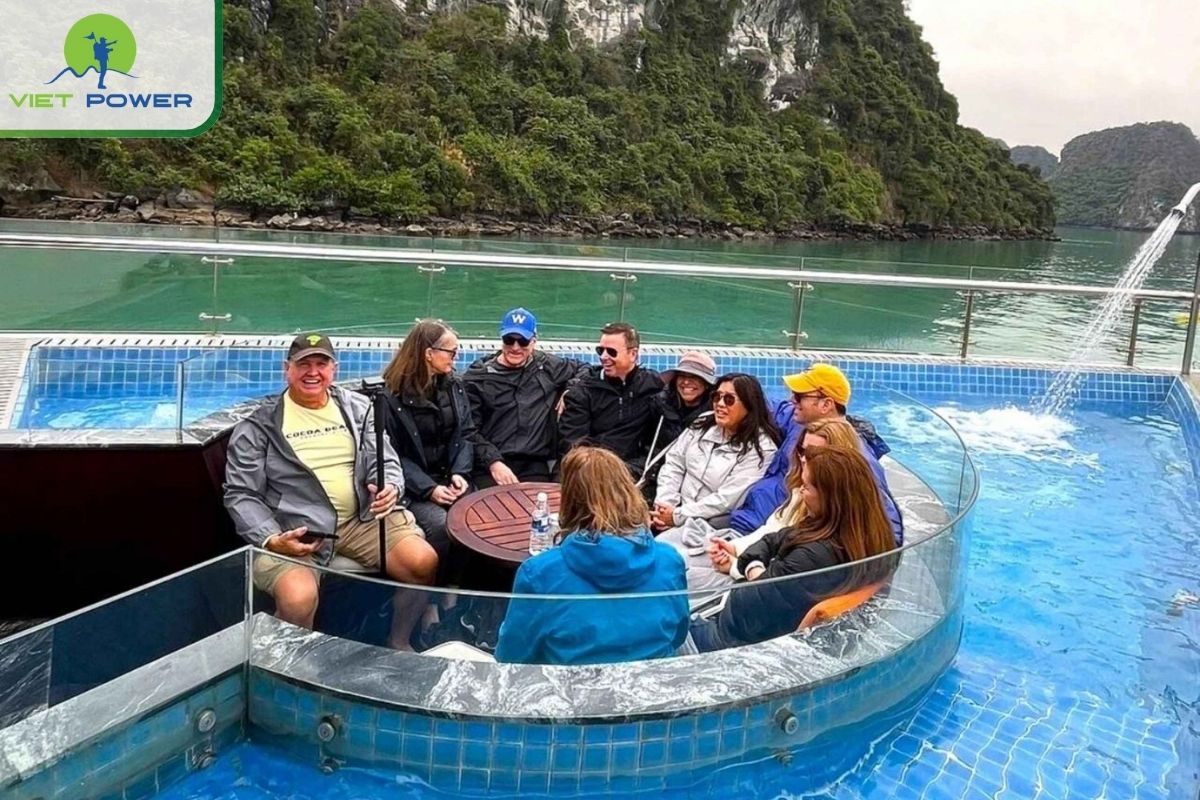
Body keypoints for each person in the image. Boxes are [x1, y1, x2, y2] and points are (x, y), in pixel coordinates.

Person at [224, 333, 438, 649]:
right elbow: (240, 493)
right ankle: (290, 666)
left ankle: (399, 640)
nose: (313, 372)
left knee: (423, 563)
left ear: (333, 369)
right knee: (298, 598)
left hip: (362, 519)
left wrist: (389, 486)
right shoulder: (259, 426)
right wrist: (271, 538)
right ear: (287, 369)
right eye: (303, 364)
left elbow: (385, 458)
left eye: (321, 364)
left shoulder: (359, 407)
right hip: (295, 531)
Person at [690, 445, 897, 652]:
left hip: (736, 642)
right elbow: (774, 539)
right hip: (756, 628)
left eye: (806, 487)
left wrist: (751, 567)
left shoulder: (813, 556)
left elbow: (753, 600)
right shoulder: (863, 534)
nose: (800, 491)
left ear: (829, 498)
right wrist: (756, 567)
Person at [494, 446, 689, 665]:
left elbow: (511, 657)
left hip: (572, 693)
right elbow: (678, 634)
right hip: (649, 689)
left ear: (570, 500)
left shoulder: (539, 573)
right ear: (627, 491)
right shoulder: (670, 560)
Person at [728, 363, 903, 546]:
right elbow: (774, 408)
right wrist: (730, 392)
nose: (791, 400)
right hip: (749, 520)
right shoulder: (802, 424)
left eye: (798, 396)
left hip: (773, 541)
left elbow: (884, 523)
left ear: (826, 404)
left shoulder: (854, 457)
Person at [378, 320, 483, 569]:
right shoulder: (389, 397)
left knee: (479, 516)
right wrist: (429, 489)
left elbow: (466, 434)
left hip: (449, 479)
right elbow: (391, 454)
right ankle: (434, 598)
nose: (456, 358)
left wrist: (460, 473)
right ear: (429, 354)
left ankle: (460, 592)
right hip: (414, 489)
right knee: (441, 526)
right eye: (452, 352)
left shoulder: (454, 386)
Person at [463, 308, 587, 487]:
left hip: (534, 463)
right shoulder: (478, 377)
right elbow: (469, 430)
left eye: (523, 341)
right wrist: (493, 462)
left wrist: (571, 390)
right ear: (501, 339)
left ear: (534, 341)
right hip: (491, 463)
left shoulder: (548, 366)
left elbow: (585, 369)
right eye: (509, 340)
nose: (515, 347)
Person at [651, 373, 780, 533]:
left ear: (749, 404)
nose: (719, 404)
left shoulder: (761, 449)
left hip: (708, 525)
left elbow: (727, 500)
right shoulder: (703, 422)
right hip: (672, 511)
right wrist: (664, 504)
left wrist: (677, 516)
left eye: (729, 399)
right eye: (716, 397)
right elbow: (674, 463)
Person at [558, 322, 663, 475]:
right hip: (590, 472)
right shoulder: (583, 392)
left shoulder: (653, 386)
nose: (603, 357)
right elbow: (573, 446)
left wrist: (630, 471)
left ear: (633, 354)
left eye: (611, 352)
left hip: (634, 472)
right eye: (600, 350)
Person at [638, 351, 718, 497]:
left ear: (707, 384)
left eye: (694, 377)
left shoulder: (716, 414)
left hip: (693, 484)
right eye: (682, 376)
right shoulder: (658, 404)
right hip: (654, 475)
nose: (686, 382)